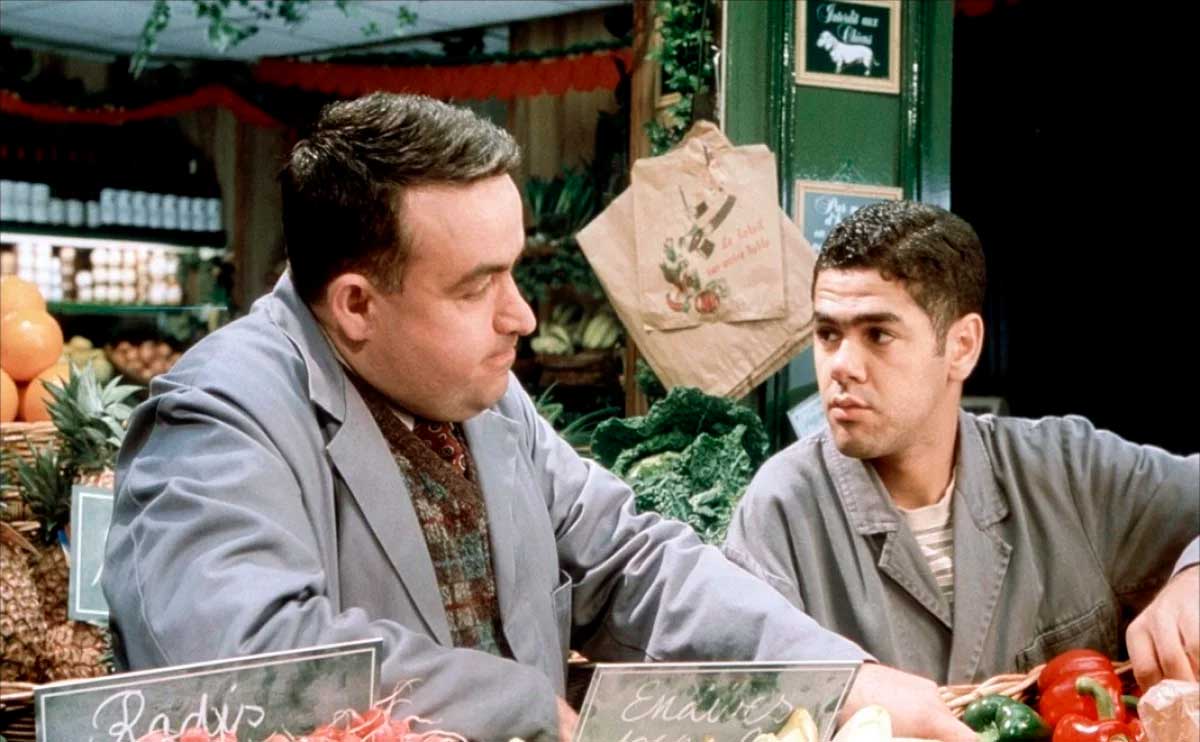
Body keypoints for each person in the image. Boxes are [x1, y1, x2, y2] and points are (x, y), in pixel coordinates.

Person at [103, 95, 976, 741]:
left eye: (514, 271)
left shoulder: (486, 399)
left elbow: (632, 559)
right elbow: (254, 658)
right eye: (476, 286)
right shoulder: (217, 417)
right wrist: (522, 706)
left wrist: (841, 678)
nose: (520, 315)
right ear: (357, 304)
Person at [724, 200, 1200, 691]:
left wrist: (1194, 575)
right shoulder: (781, 510)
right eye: (828, 334)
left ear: (962, 347)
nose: (841, 366)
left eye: (878, 334)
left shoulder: (1071, 469)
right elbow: (734, 699)